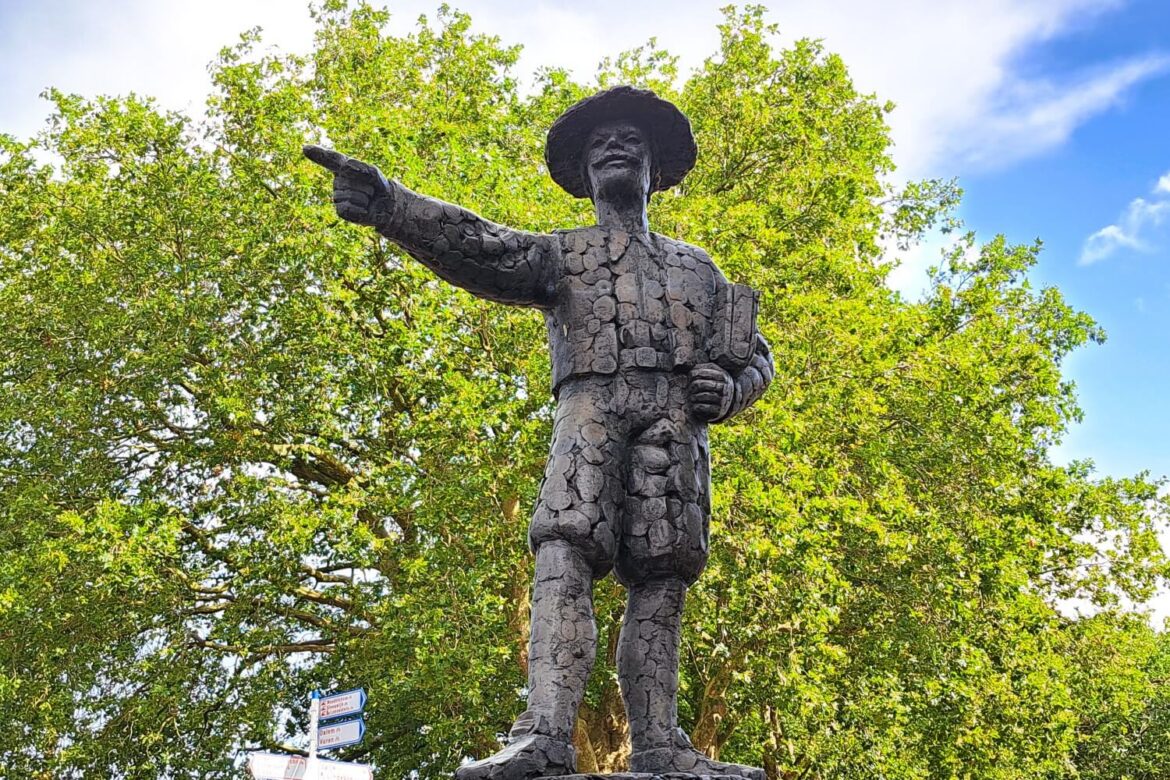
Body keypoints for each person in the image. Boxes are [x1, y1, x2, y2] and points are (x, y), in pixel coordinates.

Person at [305, 86, 773, 780]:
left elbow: (753, 353)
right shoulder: (563, 254)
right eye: (599, 144)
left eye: (631, 142)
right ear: (584, 173)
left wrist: (732, 389)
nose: (616, 147)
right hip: (588, 414)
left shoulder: (699, 269)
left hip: (674, 431)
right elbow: (483, 247)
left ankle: (661, 744)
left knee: (663, 577)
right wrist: (390, 206)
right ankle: (546, 733)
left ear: (654, 169)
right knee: (563, 553)